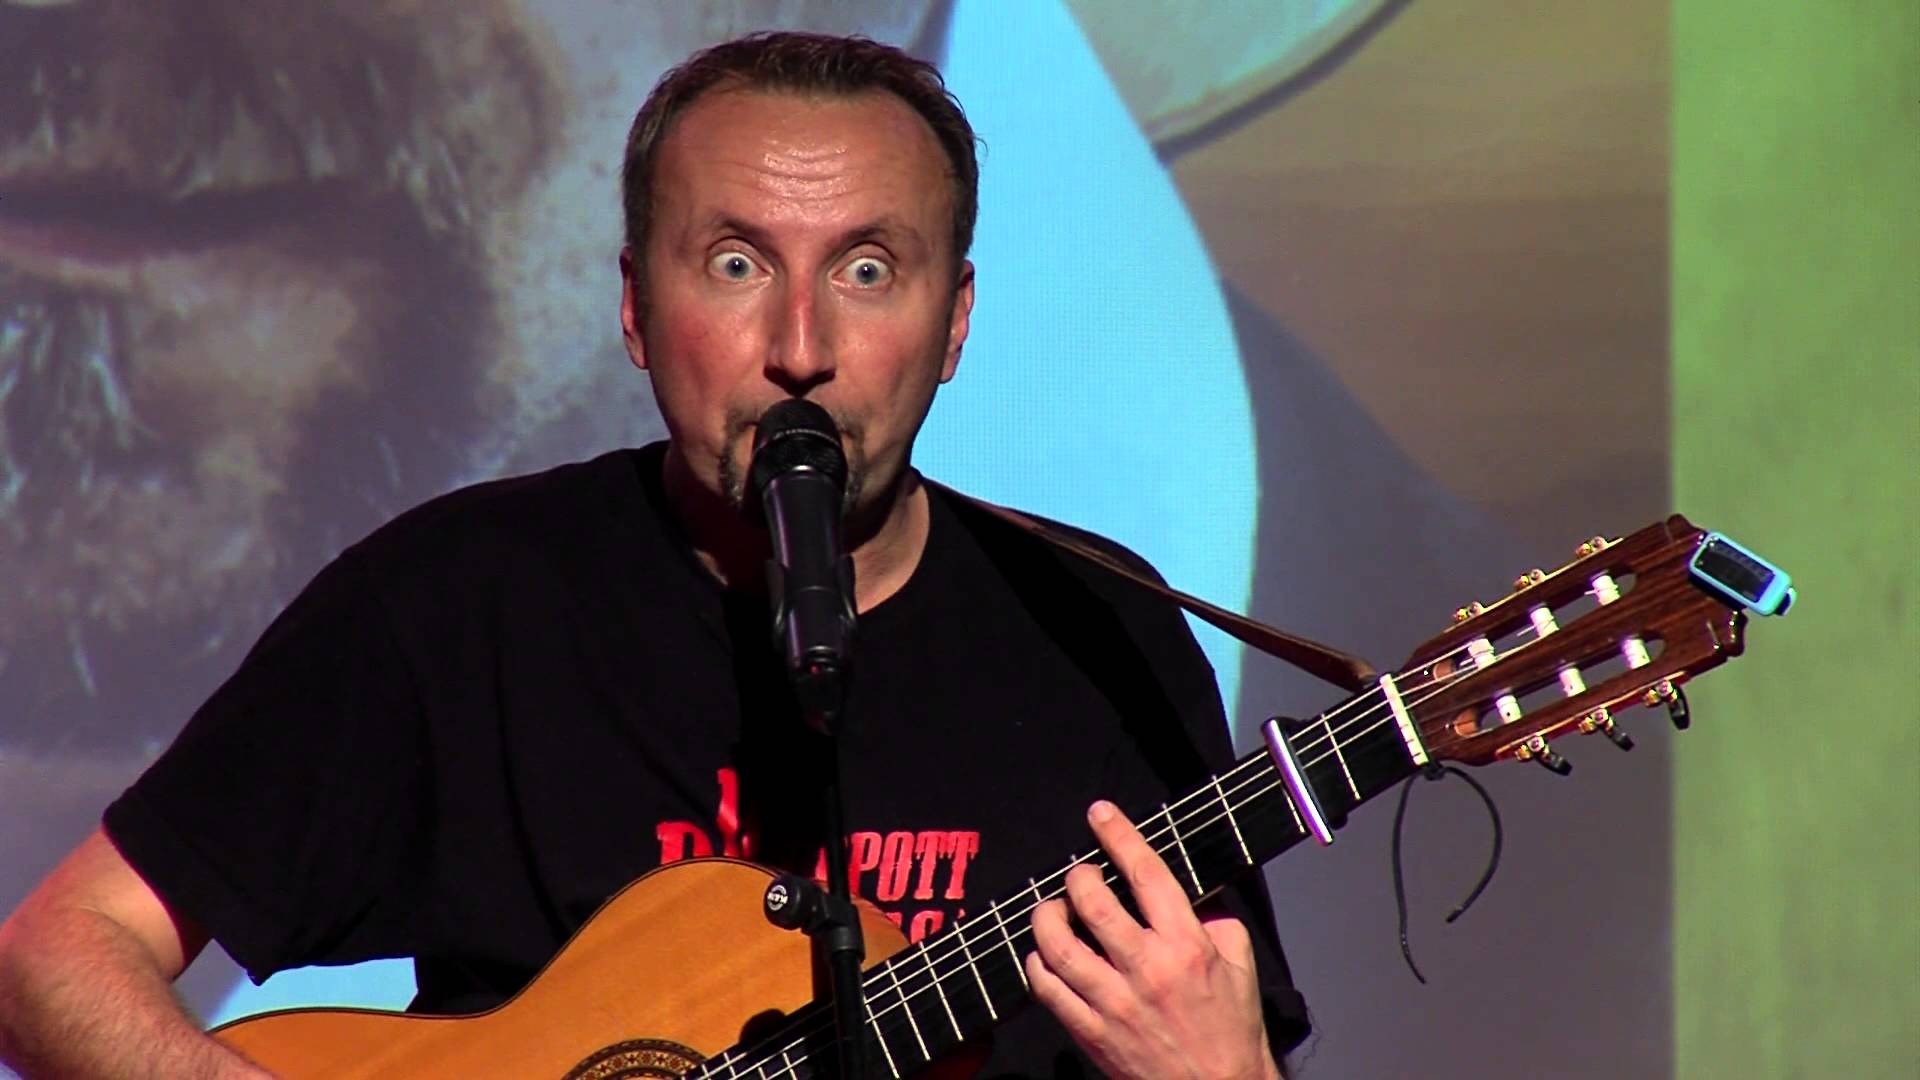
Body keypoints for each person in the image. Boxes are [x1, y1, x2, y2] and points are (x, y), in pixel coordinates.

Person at [0, 32, 1310, 1079]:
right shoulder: (460, 603)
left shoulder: (1097, 631)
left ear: (955, 320)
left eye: (867, 270)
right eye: (737, 263)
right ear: (635, 307)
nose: (799, 343)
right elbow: (56, 956)